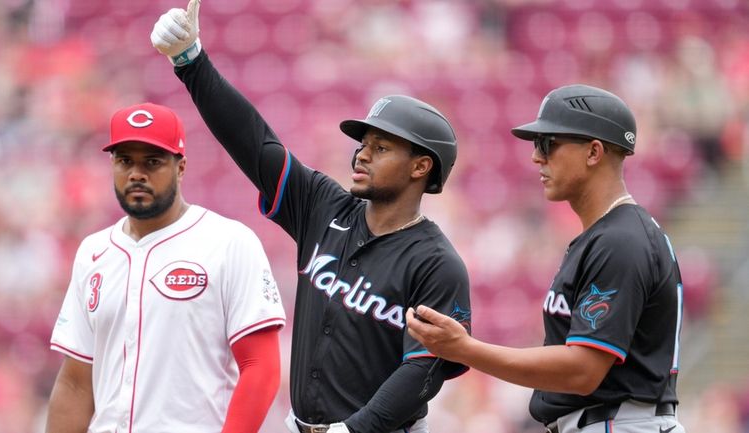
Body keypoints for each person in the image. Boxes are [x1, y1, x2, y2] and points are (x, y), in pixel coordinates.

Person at [149, 2, 472, 433]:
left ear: (420, 167)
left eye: (381, 147)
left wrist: (353, 430)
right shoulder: (325, 208)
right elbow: (254, 143)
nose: (362, 154)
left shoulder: (437, 263)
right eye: (363, 143)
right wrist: (191, 62)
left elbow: (422, 374)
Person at [406, 84, 687, 433]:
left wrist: (465, 349)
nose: (536, 156)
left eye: (548, 143)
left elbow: (582, 371)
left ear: (594, 152)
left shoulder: (621, 240)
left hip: (618, 422)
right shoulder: (608, 234)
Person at [46, 102, 286, 433]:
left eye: (153, 161)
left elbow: (260, 366)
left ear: (181, 166)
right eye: (125, 160)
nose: (136, 174)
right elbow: (76, 382)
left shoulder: (229, 242)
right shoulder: (93, 251)